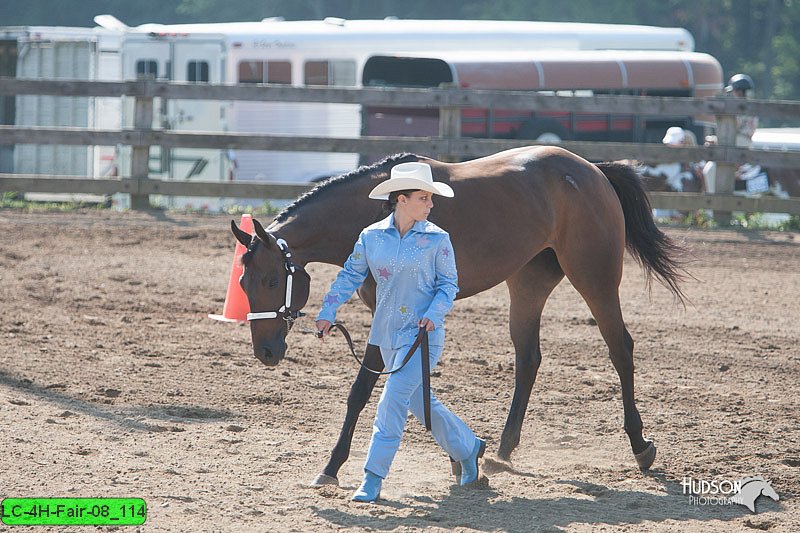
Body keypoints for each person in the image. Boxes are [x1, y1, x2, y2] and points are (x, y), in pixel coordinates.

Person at [315, 161, 484, 502]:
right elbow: (350, 275)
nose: (431, 204)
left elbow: (448, 284)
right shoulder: (371, 237)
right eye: (424, 197)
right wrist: (328, 311)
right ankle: (468, 447)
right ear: (401, 199)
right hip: (385, 336)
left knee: (391, 401)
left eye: (431, 198)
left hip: (423, 337)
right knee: (421, 405)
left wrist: (434, 314)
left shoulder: (438, 240)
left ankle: (372, 477)